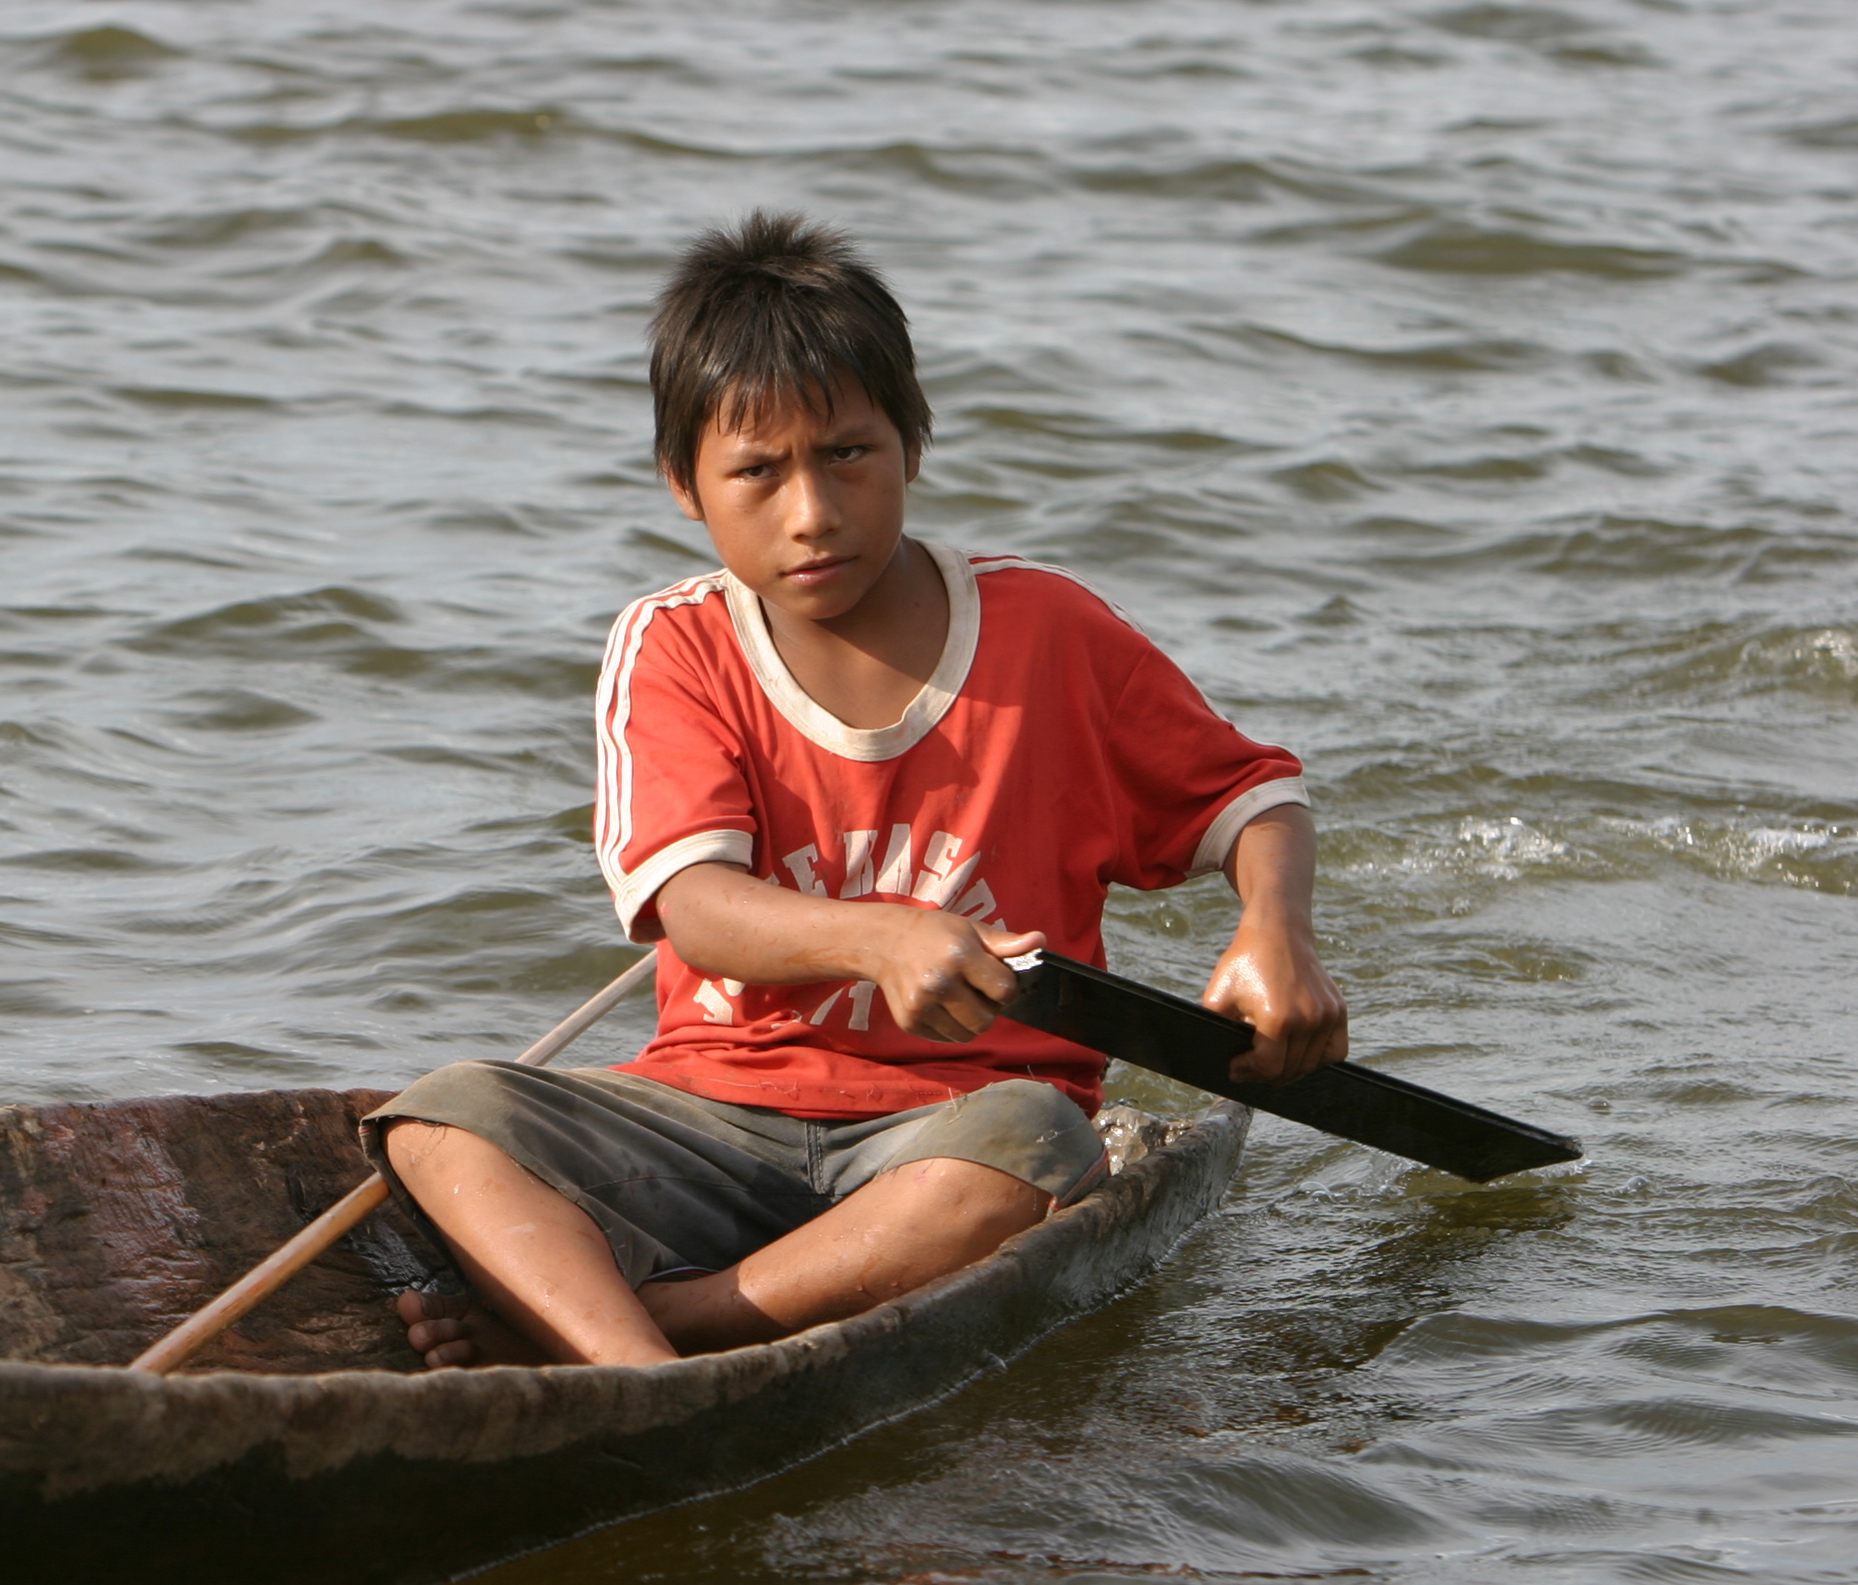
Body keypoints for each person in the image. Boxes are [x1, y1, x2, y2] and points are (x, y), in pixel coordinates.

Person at [365, 212, 1347, 1369]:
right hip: (720, 1119)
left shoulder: (1048, 632)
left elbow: (1253, 797)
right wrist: (878, 938)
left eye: (847, 454)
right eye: (757, 472)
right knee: (440, 1119)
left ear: (912, 445)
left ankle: (661, 1334)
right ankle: (637, 1378)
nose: (812, 513)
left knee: (1039, 1144)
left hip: (948, 1140)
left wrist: (1274, 931)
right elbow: (697, 905)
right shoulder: (675, 647)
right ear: (686, 484)